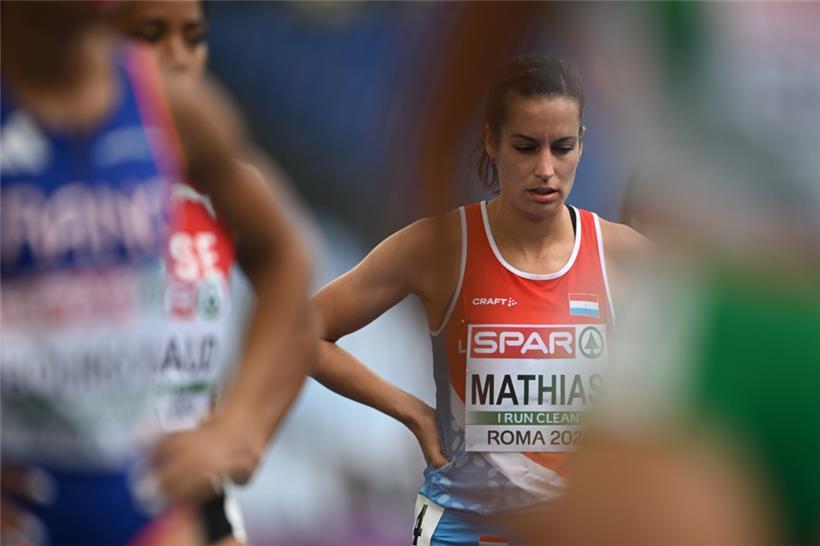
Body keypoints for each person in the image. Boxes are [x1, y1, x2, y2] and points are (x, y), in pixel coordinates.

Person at [0, 2, 314, 545]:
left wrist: (239, 429)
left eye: (193, 37)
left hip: (149, 505)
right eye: (154, 34)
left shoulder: (169, 107)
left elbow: (287, 257)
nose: (176, 56)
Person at [312, 54, 647, 545]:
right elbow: (301, 331)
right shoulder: (439, 248)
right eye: (526, 147)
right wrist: (414, 413)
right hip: (462, 528)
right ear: (491, 141)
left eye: (563, 147)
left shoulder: (623, 256)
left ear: (583, 144)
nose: (546, 170)